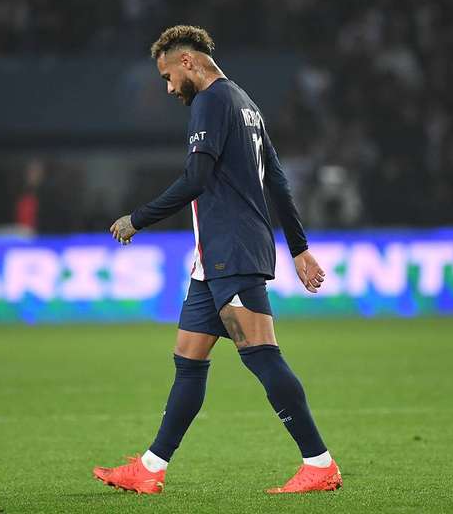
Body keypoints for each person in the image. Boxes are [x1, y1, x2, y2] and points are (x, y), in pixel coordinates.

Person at [93, 25, 341, 495]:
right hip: (215, 256)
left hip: (233, 250)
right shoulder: (246, 103)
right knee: (188, 359)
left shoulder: (211, 102)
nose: (168, 88)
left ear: (188, 62)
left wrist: (138, 219)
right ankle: (151, 467)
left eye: (168, 76)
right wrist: (298, 247)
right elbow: (278, 182)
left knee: (262, 356)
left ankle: (319, 462)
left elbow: (196, 177)